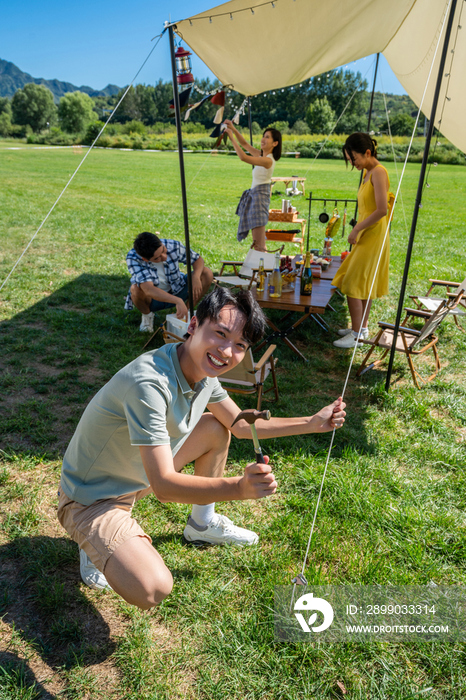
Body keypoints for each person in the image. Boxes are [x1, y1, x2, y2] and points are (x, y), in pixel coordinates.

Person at [57, 286, 346, 610]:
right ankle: (92, 546)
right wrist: (239, 487)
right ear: (194, 325)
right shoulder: (149, 383)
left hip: (135, 477)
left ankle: (201, 524)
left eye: (239, 344)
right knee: (153, 587)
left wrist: (310, 422)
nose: (226, 351)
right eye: (220, 334)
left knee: (214, 427)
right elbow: (165, 486)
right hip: (91, 498)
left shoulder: (202, 372)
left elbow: (239, 424)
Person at [332, 133, 391, 349]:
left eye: (354, 158)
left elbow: (382, 210)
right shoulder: (368, 173)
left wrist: (357, 228)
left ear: (367, 152)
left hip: (373, 235)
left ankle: (357, 335)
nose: (353, 163)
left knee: (351, 282)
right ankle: (361, 329)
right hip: (368, 233)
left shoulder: (379, 172)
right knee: (361, 282)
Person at [125, 231, 214, 332]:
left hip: (178, 288)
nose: (164, 257)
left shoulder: (172, 245)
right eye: (157, 258)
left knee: (206, 272)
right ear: (145, 259)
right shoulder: (133, 258)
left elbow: (197, 259)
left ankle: (187, 312)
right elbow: (149, 289)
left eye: (163, 250)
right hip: (153, 298)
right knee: (135, 289)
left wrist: (196, 277)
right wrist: (177, 301)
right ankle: (147, 317)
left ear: (160, 243)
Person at [224, 120, 282, 252]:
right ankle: (263, 270)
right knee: (258, 243)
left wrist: (231, 138)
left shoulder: (268, 160)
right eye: (263, 136)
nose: (263, 139)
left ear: (275, 143)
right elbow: (244, 144)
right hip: (256, 197)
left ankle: (264, 270)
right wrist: (232, 128)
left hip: (260, 198)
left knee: (259, 244)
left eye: (267, 137)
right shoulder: (262, 155)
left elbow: (243, 157)